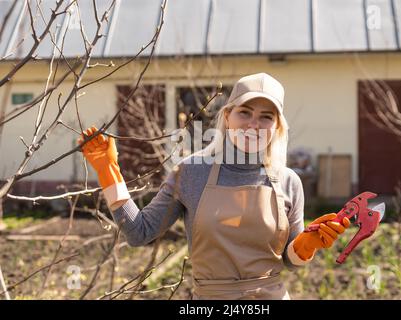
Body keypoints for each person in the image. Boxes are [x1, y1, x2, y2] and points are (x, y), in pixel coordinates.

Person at [78, 73, 350, 300]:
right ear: (228, 116)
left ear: (277, 127)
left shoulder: (289, 181)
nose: (254, 125)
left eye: (266, 117)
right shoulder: (191, 172)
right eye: (245, 112)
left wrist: (307, 244)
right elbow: (140, 233)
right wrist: (108, 171)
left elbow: (291, 261)